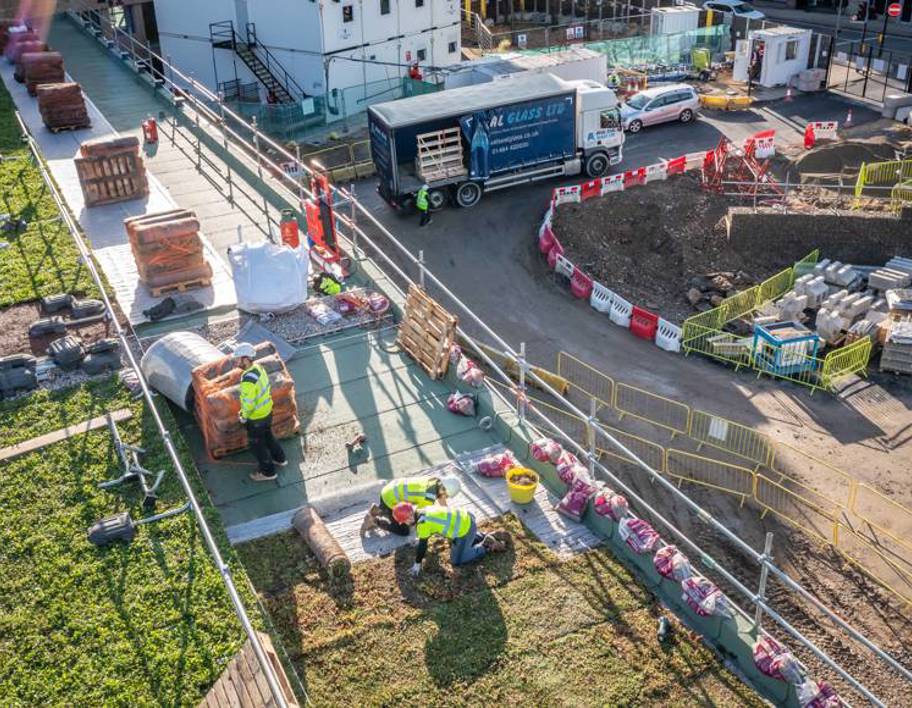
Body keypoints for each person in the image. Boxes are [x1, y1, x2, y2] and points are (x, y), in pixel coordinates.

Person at [393, 503, 510, 576]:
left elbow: (423, 546)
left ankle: (485, 545)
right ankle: (486, 535)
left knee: (456, 560)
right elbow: (432, 527)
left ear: (408, 518)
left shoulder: (422, 524)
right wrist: (421, 538)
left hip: (464, 530)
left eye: (404, 522)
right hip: (467, 518)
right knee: (465, 540)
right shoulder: (423, 509)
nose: (406, 524)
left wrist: (417, 564)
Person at [234, 343, 288, 482]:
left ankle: (268, 473)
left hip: (256, 418)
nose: (236, 361)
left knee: (257, 445)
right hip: (267, 412)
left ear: (245, 359)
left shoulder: (248, 379)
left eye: (238, 359)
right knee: (268, 436)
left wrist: (243, 416)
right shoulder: (259, 369)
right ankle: (280, 459)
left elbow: (248, 403)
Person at [360, 475, 461, 536]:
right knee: (405, 531)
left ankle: (380, 509)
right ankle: (375, 521)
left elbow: (443, 503)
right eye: (446, 496)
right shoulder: (429, 496)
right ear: (444, 491)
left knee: (405, 514)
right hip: (390, 500)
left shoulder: (435, 481)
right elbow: (418, 516)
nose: (445, 498)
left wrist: (450, 517)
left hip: (389, 490)